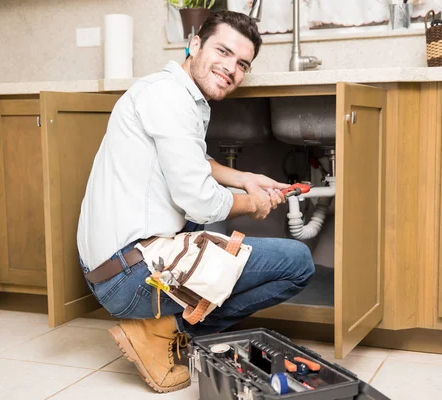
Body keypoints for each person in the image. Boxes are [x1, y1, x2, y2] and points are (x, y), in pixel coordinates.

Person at [76, 10, 315, 393]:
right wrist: (251, 203)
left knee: (200, 230)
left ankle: (159, 323)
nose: (231, 69)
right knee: (298, 263)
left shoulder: (174, 90)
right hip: (128, 277)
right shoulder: (169, 98)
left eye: (242, 64)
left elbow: (192, 160)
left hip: (112, 265)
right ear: (194, 43)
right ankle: (165, 330)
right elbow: (201, 201)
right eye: (223, 51)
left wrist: (244, 178)